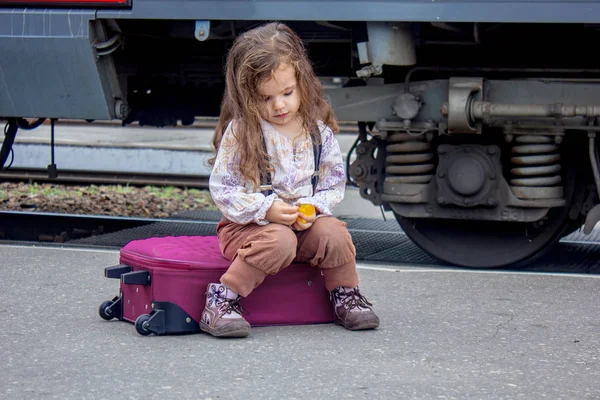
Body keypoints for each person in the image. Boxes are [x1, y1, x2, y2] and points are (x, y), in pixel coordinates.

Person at [204, 22, 379, 338]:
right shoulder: (243, 132)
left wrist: (313, 207)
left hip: (304, 226)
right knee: (280, 239)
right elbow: (223, 189)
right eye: (265, 98)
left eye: (287, 93)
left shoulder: (318, 133)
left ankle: (345, 295)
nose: (279, 105)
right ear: (246, 96)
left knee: (334, 233)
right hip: (247, 229)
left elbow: (333, 183)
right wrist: (266, 209)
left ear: (302, 84)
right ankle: (223, 300)